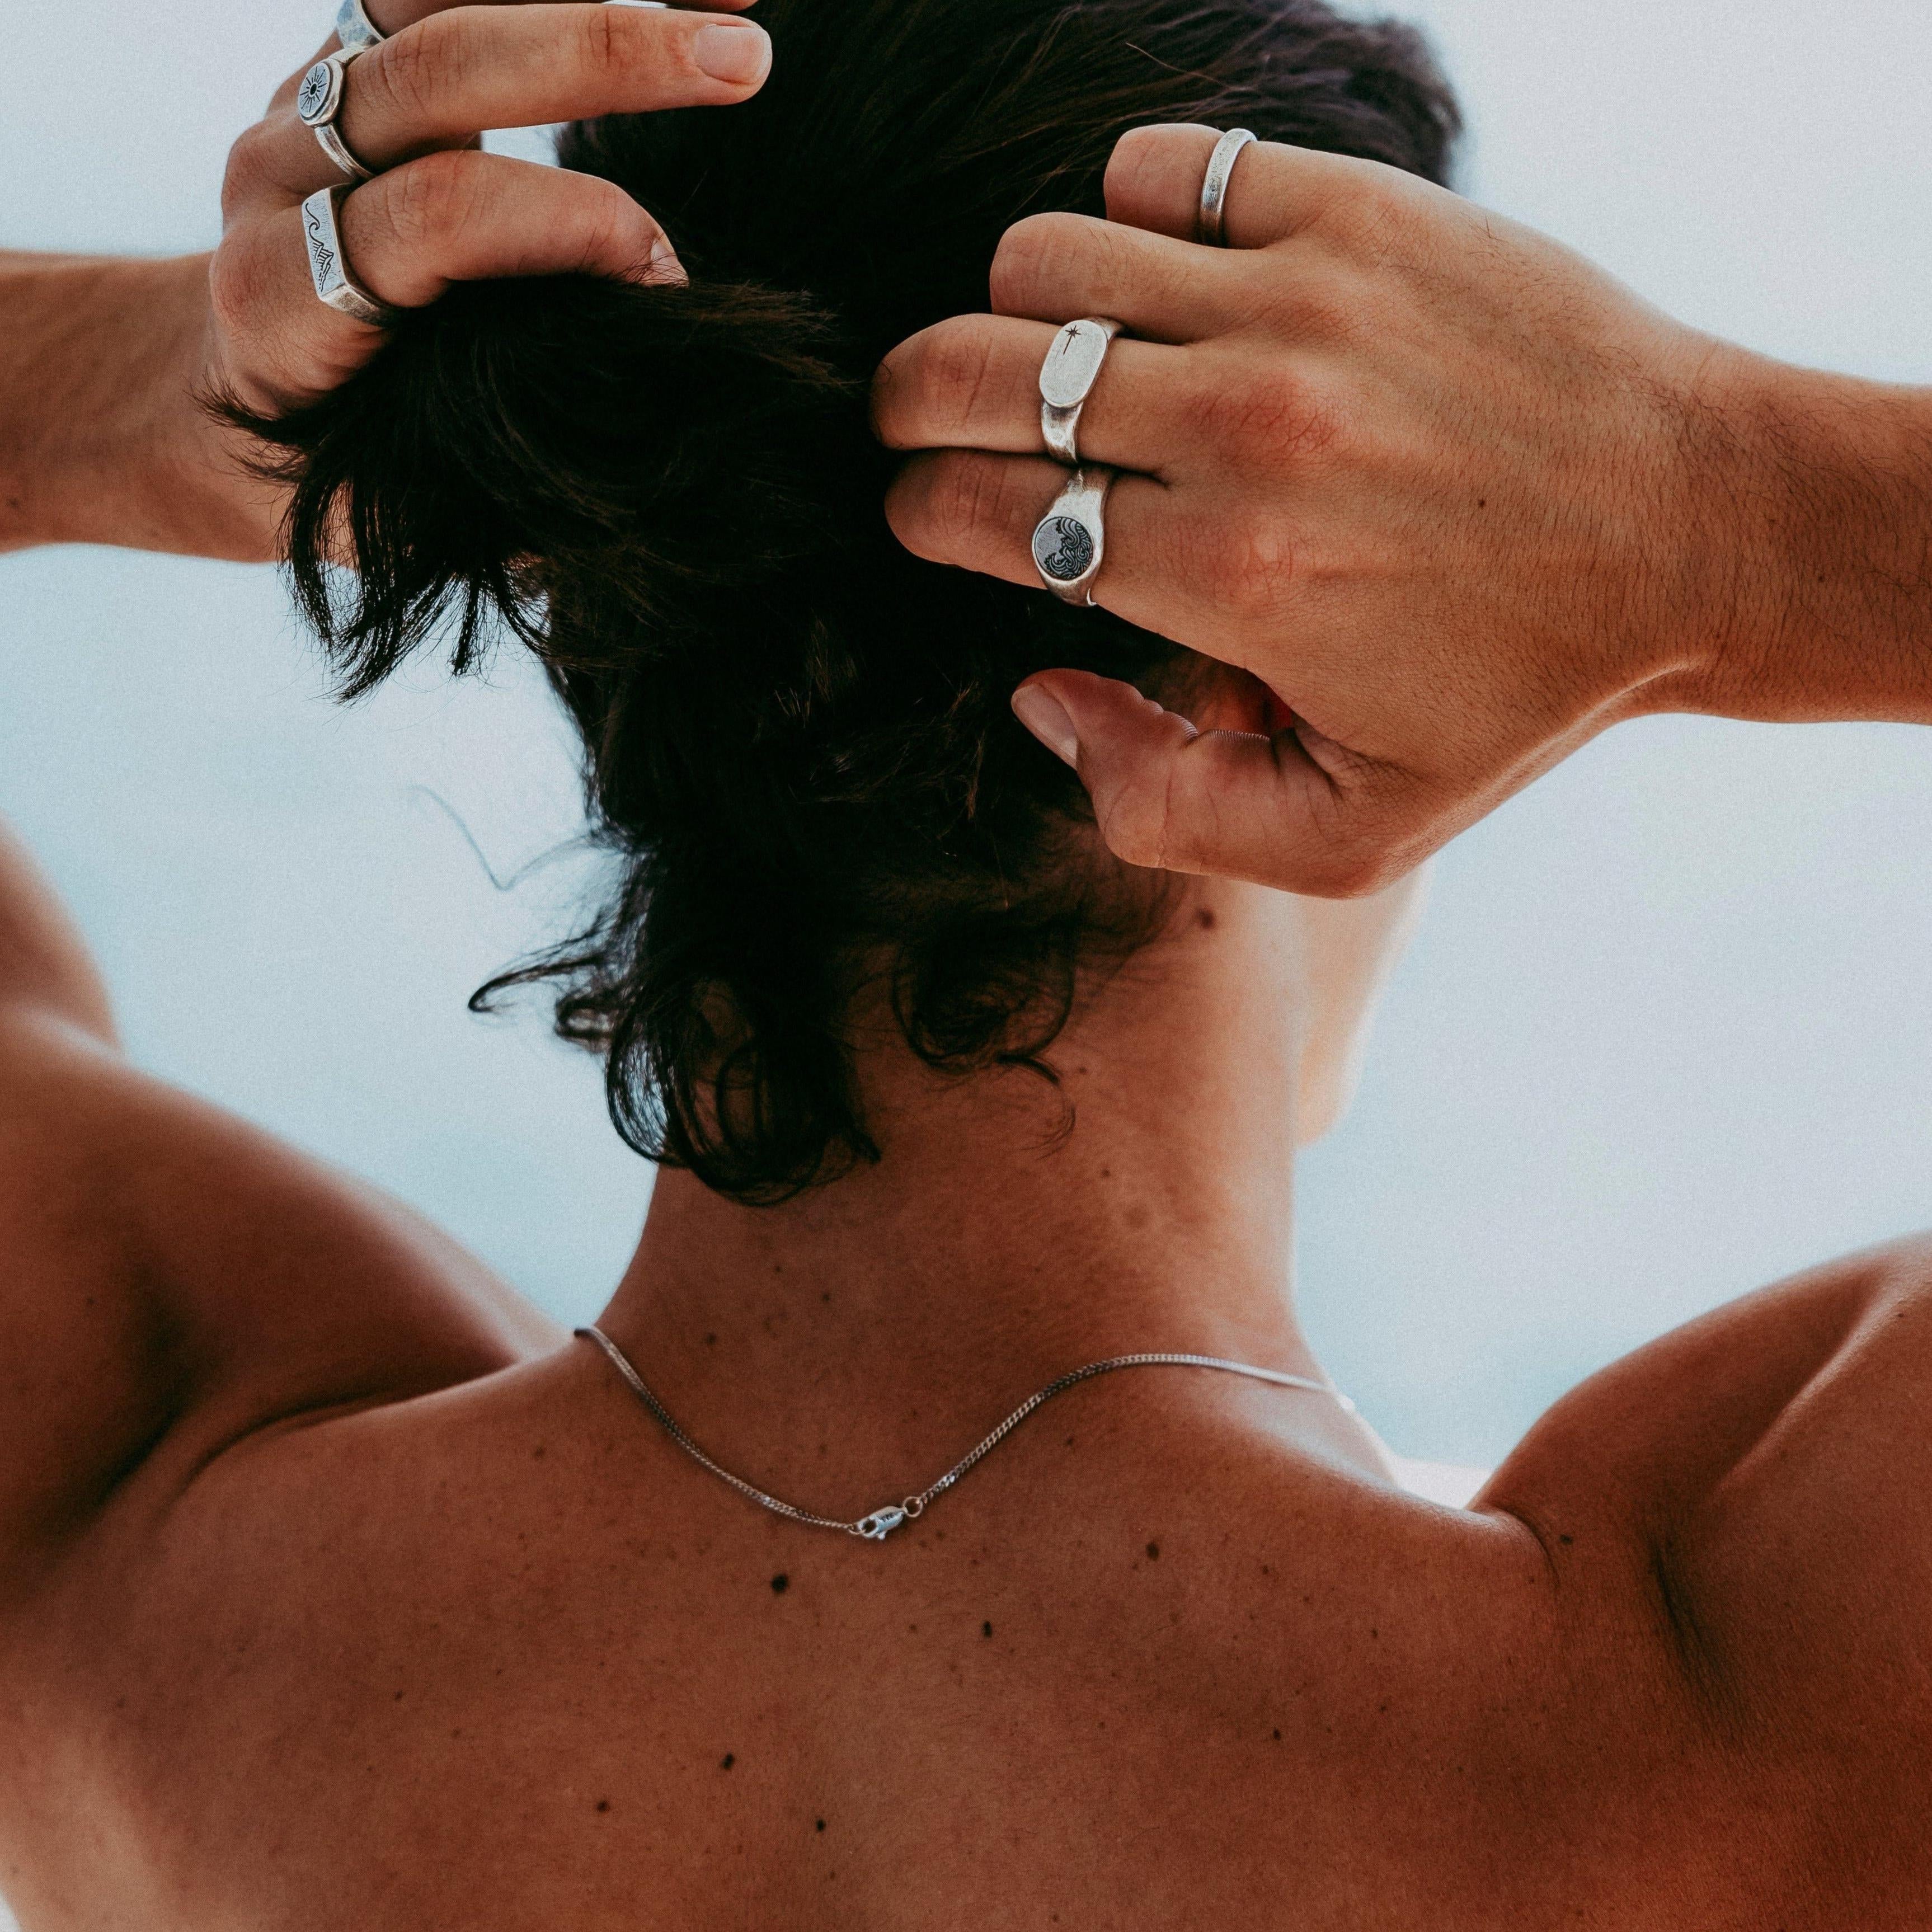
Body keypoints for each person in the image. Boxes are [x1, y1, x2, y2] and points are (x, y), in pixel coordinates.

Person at [0, 3, 1928, 1930]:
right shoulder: (1728, 1712)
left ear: (598, 580)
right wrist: (1719, 508)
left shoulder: (150, 1572)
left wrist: (123, 389)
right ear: (1280, 655)